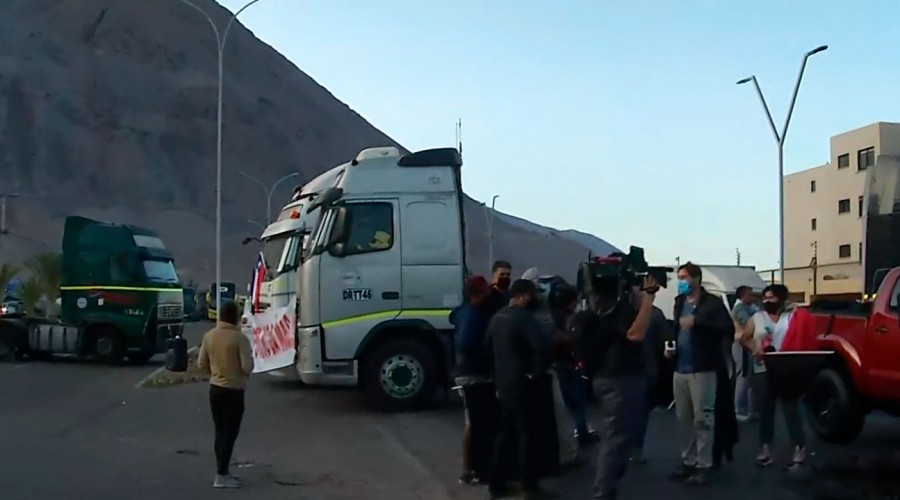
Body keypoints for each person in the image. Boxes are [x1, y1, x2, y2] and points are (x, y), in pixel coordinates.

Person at [575, 274, 659, 500]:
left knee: (622, 437)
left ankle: (608, 486)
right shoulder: (618, 311)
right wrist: (648, 299)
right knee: (616, 439)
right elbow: (635, 334)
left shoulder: (599, 311)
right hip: (620, 381)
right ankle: (603, 492)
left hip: (606, 379)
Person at [484, 279, 556, 500]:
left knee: (505, 433)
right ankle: (529, 487)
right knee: (528, 435)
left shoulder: (497, 317)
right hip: (523, 384)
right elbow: (542, 345)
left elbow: (486, 348)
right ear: (523, 296)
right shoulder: (523, 318)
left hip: (503, 384)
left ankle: (496, 483)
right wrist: (537, 370)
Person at [666, 262, 734, 485]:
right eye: (679, 277)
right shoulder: (679, 302)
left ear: (696, 279)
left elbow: (727, 328)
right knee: (683, 419)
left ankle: (704, 464)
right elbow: (676, 329)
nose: (681, 282)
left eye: (684, 277)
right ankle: (688, 461)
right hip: (680, 367)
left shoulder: (712, 303)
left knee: (703, 419)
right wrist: (671, 347)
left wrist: (698, 323)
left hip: (703, 368)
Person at [740, 284, 807, 468]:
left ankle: (799, 447)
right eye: (765, 298)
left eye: (772, 298)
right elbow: (745, 337)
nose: (767, 301)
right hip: (762, 369)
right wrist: (755, 348)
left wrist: (797, 309)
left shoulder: (791, 316)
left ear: (781, 299)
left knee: (791, 410)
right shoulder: (757, 317)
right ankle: (765, 448)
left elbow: (805, 328)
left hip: (786, 369)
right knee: (765, 411)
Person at [197, 300, 254, 489]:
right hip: (234, 390)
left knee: (220, 431)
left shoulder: (209, 336)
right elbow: (246, 366)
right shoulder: (240, 339)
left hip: (215, 389)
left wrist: (214, 374)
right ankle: (222, 475)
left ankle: (221, 469)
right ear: (236, 317)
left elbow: (201, 364)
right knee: (230, 433)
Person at [451, 275, 495, 485]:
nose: (488, 295)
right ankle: (474, 469)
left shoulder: (463, 312)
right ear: (474, 294)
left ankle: (469, 468)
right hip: (473, 374)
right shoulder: (474, 315)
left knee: (472, 422)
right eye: (484, 292)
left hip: (464, 372)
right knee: (477, 423)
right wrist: (486, 356)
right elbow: (466, 344)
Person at [549, 281, 597, 449]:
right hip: (569, 364)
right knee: (577, 402)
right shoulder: (570, 319)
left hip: (559, 364)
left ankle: (576, 433)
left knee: (567, 404)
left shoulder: (551, 316)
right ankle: (580, 434)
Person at [630, 301, 668, 464]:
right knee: (640, 411)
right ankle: (635, 448)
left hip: (634, 368)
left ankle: (630, 447)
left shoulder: (624, 310)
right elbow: (664, 339)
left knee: (631, 411)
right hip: (644, 368)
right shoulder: (654, 313)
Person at [731, 286, 758, 422]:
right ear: (743, 296)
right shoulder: (740, 309)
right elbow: (748, 323)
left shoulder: (748, 307)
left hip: (746, 345)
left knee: (748, 378)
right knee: (743, 376)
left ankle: (748, 409)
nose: (752, 297)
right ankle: (738, 409)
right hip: (741, 345)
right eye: (749, 295)